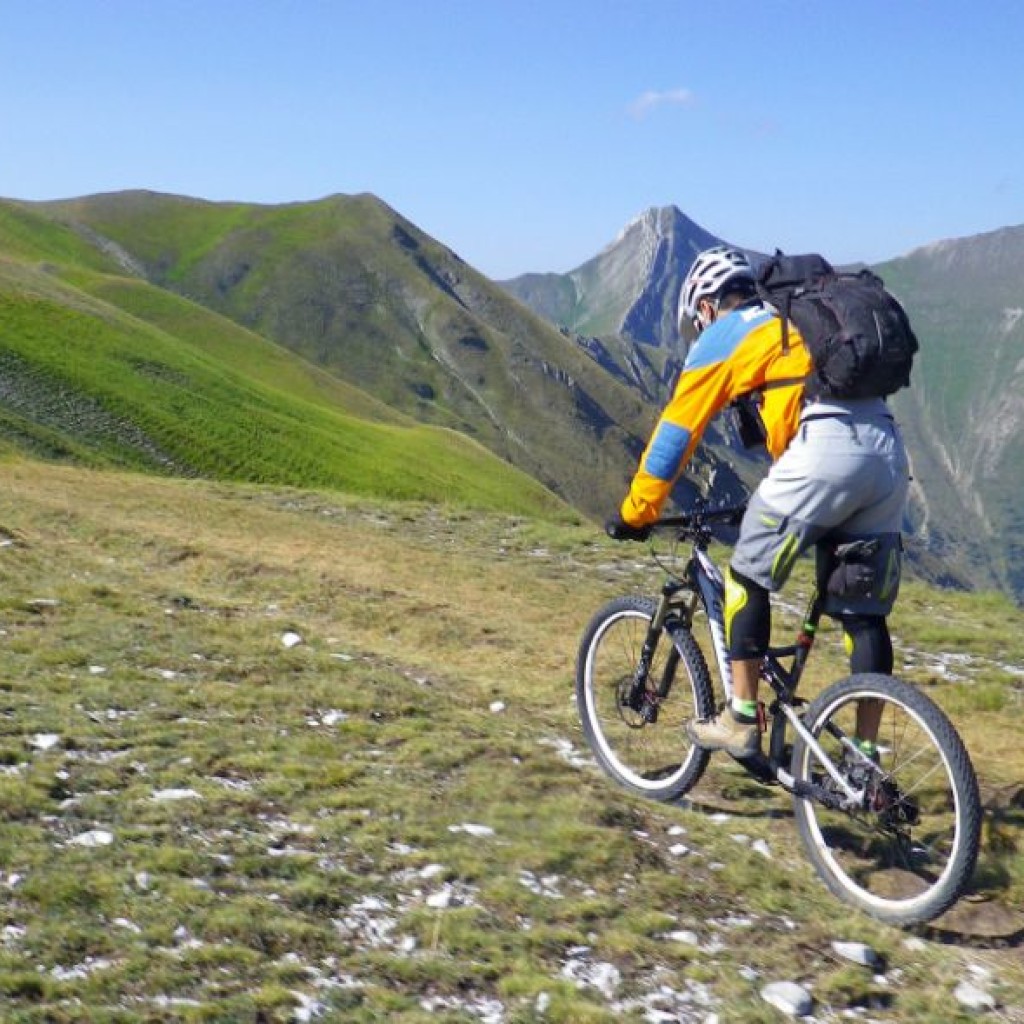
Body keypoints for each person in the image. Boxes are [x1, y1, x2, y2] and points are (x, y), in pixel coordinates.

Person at [606, 245, 910, 759]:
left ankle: (741, 718)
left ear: (705, 306)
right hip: (887, 451)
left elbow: (674, 437)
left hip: (822, 457)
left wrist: (638, 511)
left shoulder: (725, 334)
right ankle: (865, 756)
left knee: (745, 574)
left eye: (697, 322)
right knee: (863, 614)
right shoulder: (794, 320)